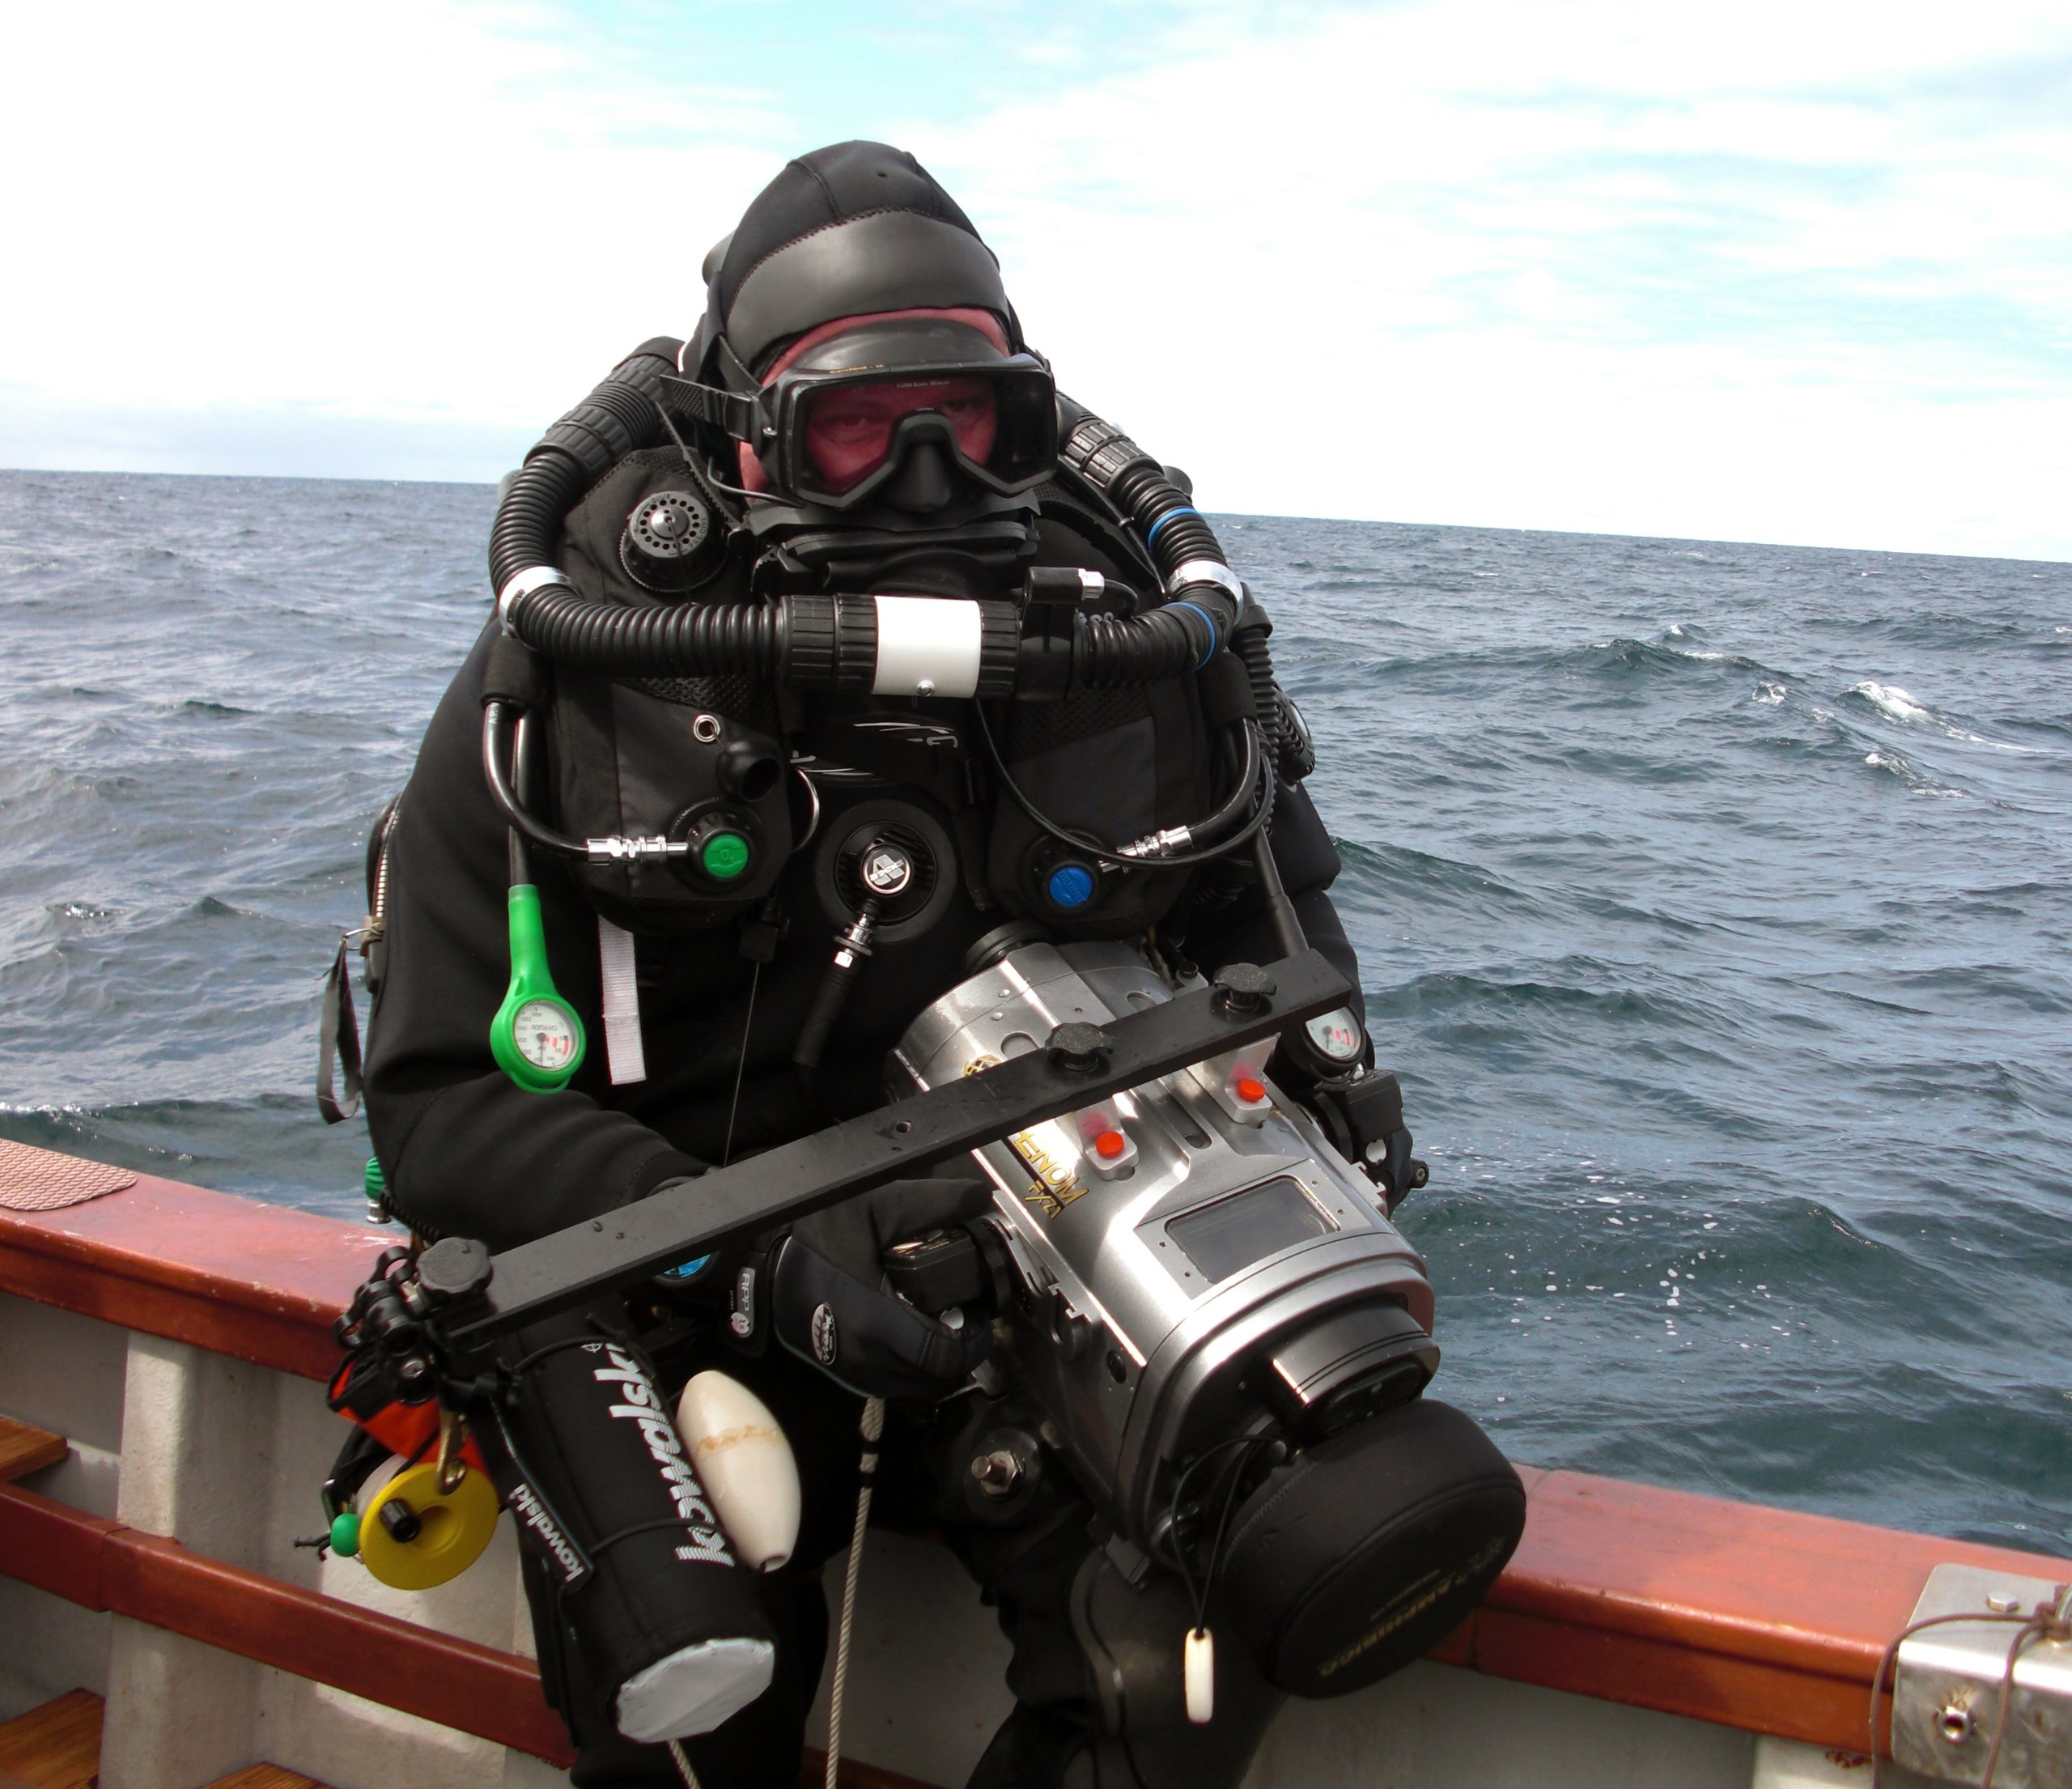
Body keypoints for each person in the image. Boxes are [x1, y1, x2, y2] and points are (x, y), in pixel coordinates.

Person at [361, 141, 1367, 1789]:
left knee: (1200, 1652)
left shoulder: (1126, 628)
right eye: (856, 424)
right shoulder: (585, 655)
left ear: (1031, 418)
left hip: (1042, 1261)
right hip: (688, 1268)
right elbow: (439, 1102)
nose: (924, 474)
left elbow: (1288, 960)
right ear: (748, 429)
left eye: (969, 419)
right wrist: (755, 1256)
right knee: (688, 1681)